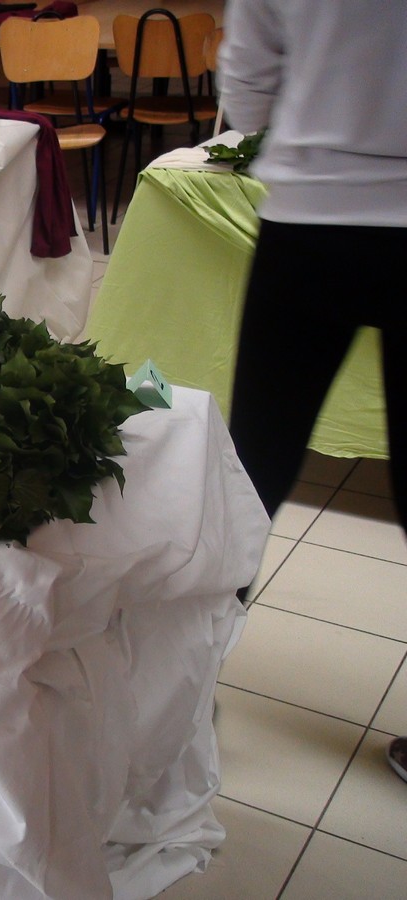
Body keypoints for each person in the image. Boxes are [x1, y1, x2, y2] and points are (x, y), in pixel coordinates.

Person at [218, 0, 407, 778]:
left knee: (253, 464)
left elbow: (248, 76)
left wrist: (301, 132)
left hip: (312, 212)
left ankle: (178, 685)